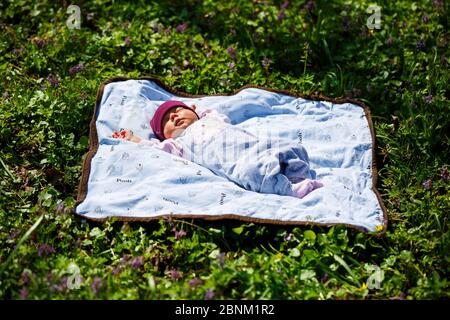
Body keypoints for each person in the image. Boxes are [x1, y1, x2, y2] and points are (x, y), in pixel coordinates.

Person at [112, 100, 323, 198]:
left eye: (177, 110)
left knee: (292, 148)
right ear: (164, 135)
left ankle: (298, 175)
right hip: (237, 161)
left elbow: (210, 112)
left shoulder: (213, 118)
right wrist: (136, 139)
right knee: (255, 174)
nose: (174, 116)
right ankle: (289, 190)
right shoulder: (178, 144)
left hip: (256, 144)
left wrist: (197, 111)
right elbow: (155, 150)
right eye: (167, 121)